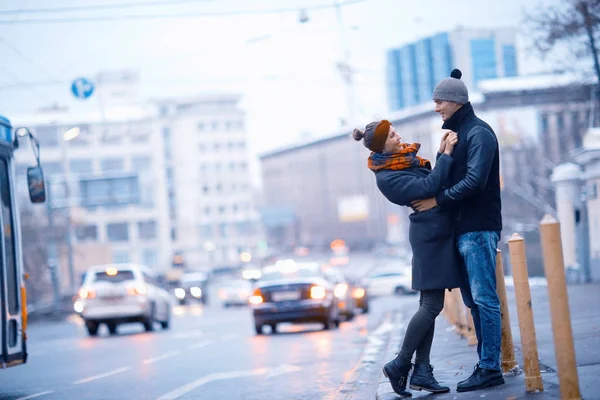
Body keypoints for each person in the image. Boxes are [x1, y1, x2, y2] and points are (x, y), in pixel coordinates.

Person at [353, 120, 463, 397]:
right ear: (383, 146)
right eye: (391, 135)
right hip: (429, 238)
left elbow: (432, 181)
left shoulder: (400, 162)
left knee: (430, 304)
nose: (398, 136)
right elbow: (430, 185)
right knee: (430, 306)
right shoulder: (386, 177)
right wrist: (446, 156)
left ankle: (422, 371)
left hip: (435, 232)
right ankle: (401, 362)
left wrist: (440, 156)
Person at [412, 69, 504, 393]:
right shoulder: (456, 135)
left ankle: (491, 367)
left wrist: (438, 201)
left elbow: (474, 182)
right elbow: (446, 176)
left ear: (455, 101)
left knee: (484, 300)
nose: (436, 107)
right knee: (475, 302)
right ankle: (487, 364)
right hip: (463, 231)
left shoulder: (479, 133)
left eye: (439, 101)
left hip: (478, 228)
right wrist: (442, 155)